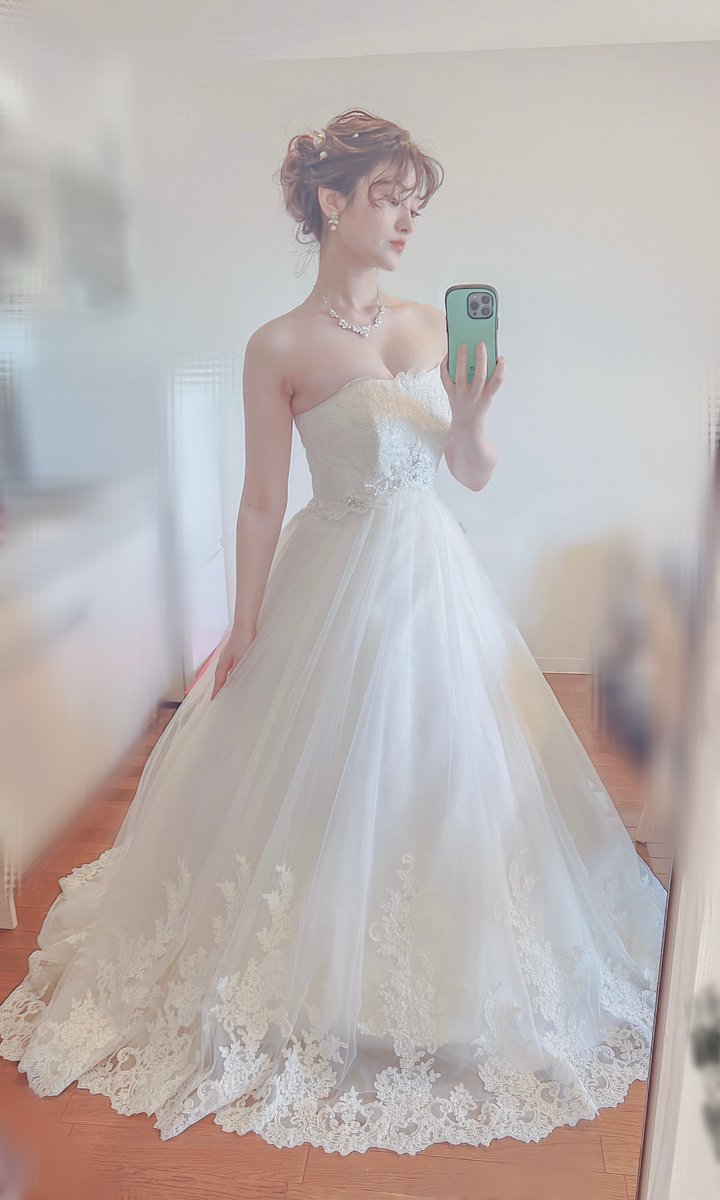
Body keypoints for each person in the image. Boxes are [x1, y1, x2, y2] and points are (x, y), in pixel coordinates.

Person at [0, 107, 667, 1157]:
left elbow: (471, 473)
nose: (405, 220)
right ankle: (307, 964)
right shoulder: (279, 345)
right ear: (329, 201)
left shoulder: (432, 326)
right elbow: (262, 501)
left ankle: (446, 965)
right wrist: (244, 627)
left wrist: (472, 415)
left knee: (448, 769)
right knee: (311, 778)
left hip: (430, 575)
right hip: (332, 573)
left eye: (414, 204)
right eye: (388, 198)